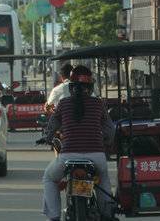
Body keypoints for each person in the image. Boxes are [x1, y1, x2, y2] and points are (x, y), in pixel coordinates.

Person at [42, 65, 114, 221]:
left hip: (68, 156)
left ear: (71, 86)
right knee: (103, 179)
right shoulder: (98, 104)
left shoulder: (63, 104)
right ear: (90, 86)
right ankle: (107, 213)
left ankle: (54, 217)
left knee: (49, 178)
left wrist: (47, 139)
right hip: (96, 156)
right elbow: (110, 129)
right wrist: (107, 140)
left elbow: (52, 127)